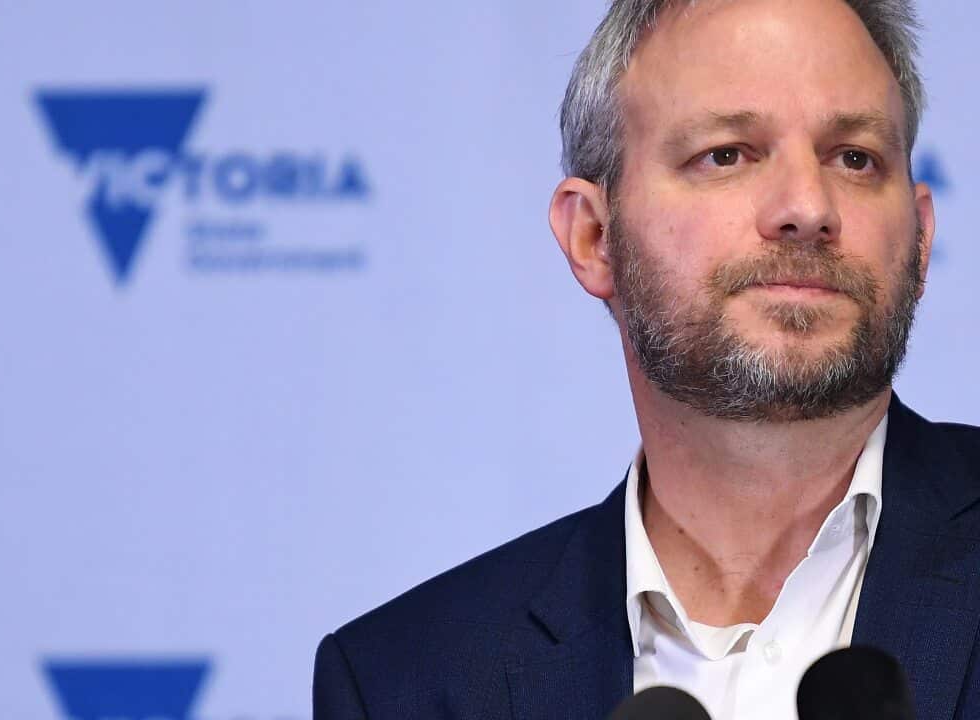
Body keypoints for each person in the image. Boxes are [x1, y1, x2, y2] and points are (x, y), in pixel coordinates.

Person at [312, 0, 980, 718]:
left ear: (918, 236)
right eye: (727, 154)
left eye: (855, 158)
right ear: (594, 236)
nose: (808, 205)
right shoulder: (407, 679)